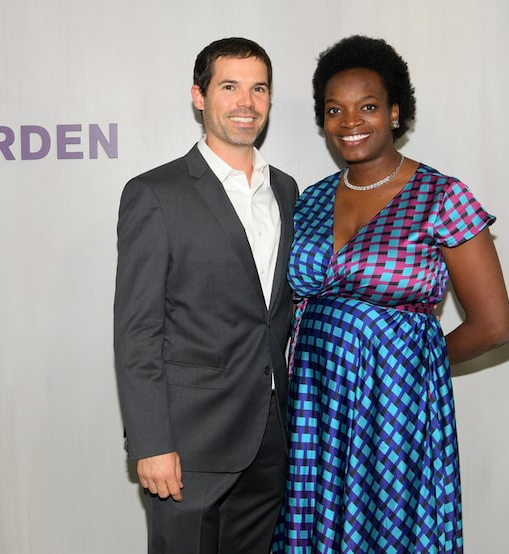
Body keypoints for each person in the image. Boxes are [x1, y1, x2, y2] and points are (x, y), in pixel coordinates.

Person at [271, 35, 509, 552]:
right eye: (334, 109)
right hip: (315, 402)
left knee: (390, 528)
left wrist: (408, 364)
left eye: (368, 107)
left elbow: (494, 326)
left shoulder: (442, 197)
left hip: (396, 407)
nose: (350, 122)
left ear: (395, 112)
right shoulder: (310, 200)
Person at [114, 37, 299, 554]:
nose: (248, 102)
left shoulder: (285, 189)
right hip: (189, 445)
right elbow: (138, 331)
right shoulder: (156, 193)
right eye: (230, 86)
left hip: (269, 437)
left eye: (259, 88)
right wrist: (152, 443)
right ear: (199, 96)